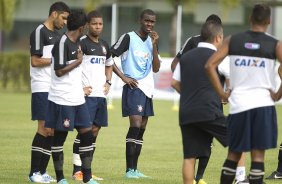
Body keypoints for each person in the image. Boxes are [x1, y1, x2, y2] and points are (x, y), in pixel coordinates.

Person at [205, 3, 282, 184]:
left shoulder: (233, 40)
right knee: (258, 157)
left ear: (250, 19)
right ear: (269, 21)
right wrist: (278, 95)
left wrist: (222, 94)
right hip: (263, 106)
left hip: (239, 106)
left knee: (233, 155)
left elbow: (209, 65)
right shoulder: (275, 44)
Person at [171, 14, 248, 184]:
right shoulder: (220, 57)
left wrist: (189, 95)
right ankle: (241, 178)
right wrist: (225, 95)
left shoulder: (186, 57)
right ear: (218, 37)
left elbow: (174, 82)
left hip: (187, 112)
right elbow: (232, 83)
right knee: (239, 136)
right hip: (209, 110)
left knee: (189, 156)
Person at [45, 10, 98, 184]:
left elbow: (75, 71)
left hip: (77, 98)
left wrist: (82, 86)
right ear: (82, 28)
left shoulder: (77, 44)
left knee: (87, 134)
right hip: (62, 98)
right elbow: (59, 71)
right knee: (60, 137)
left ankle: (87, 178)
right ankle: (61, 178)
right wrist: (78, 61)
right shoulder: (62, 43)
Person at [110, 9, 161, 179]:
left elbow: (156, 68)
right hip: (134, 88)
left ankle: (135, 169)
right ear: (140, 20)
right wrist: (123, 77)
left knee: (142, 129)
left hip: (148, 88)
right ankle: (128, 170)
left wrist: (154, 45)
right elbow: (109, 56)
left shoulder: (152, 41)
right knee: (136, 125)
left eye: (152, 22)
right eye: (147, 21)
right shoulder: (128, 37)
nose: (149, 24)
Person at [29, 1, 70, 183]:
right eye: (64, 17)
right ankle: (33, 173)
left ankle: (43, 172)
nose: (65, 22)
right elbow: (35, 62)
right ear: (54, 14)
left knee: (52, 131)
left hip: (54, 88)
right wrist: (56, 59)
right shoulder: (39, 32)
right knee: (44, 128)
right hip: (41, 86)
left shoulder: (58, 35)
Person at [71, 10, 113, 182]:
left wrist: (108, 82)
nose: (98, 26)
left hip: (99, 96)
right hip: (86, 97)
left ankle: (87, 169)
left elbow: (109, 65)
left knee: (95, 131)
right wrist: (79, 87)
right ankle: (77, 171)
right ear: (88, 25)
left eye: (100, 24)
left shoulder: (104, 45)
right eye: (95, 23)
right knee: (84, 133)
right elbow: (72, 66)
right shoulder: (82, 43)